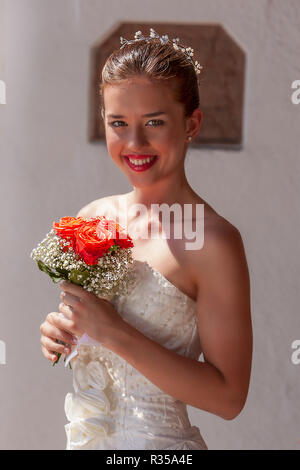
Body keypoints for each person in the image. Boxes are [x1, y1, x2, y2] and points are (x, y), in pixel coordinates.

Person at [40, 28, 253, 450]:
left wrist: (114, 331)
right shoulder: (92, 218)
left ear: (191, 124)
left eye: (154, 122)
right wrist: (60, 331)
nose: (135, 143)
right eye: (119, 123)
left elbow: (229, 397)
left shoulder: (214, 243)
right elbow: (88, 333)